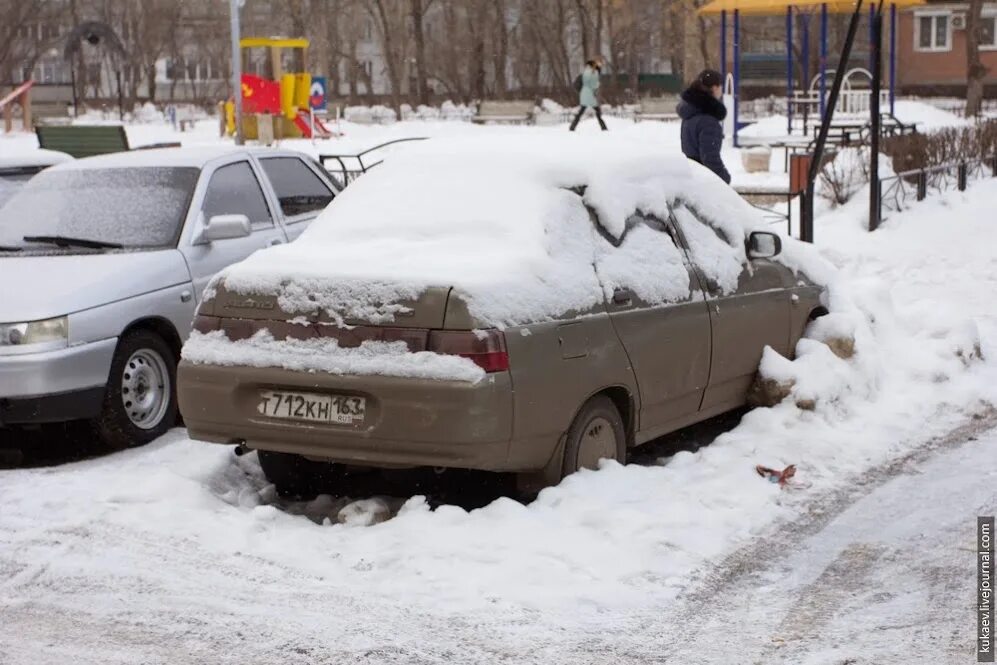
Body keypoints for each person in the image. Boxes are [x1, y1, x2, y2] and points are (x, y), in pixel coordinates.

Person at [677, 69, 731, 184]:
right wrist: (725, 179)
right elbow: (710, 158)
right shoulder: (708, 122)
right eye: (721, 87)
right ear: (715, 88)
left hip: (693, 177)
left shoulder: (689, 115)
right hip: (706, 183)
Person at [569, 59, 608, 131]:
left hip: (584, 93)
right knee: (596, 111)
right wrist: (597, 84)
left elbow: (581, 83)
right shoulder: (593, 73)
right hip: (589, 94)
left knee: (582, 110)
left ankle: (573, 126)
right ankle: (603, 127)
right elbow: (594, 85)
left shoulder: (585, 72)